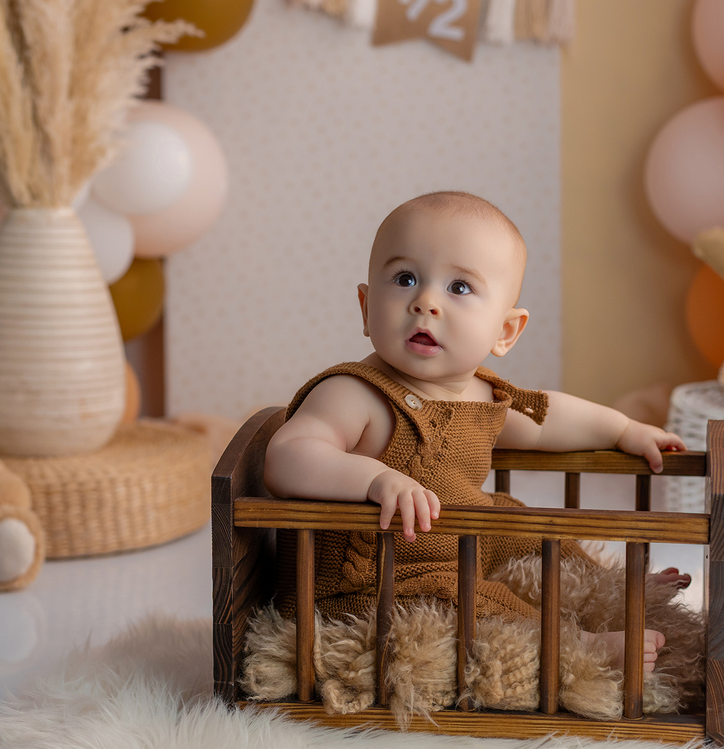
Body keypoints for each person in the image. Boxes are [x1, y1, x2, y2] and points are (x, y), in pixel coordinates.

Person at [265, 191, 689, 674]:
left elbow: (546, 419)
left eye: (459, 287)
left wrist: (622, 429)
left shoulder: (481, 394)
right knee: (474, 602)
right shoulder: (355, 393)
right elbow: (288, 454)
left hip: (458, 541)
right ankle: (577, 646)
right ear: (366, 307)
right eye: (405, 279)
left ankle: (615, 589)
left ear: (504, 332)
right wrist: (374, 480)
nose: (425, 302)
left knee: (525, 524)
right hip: (375, 582)